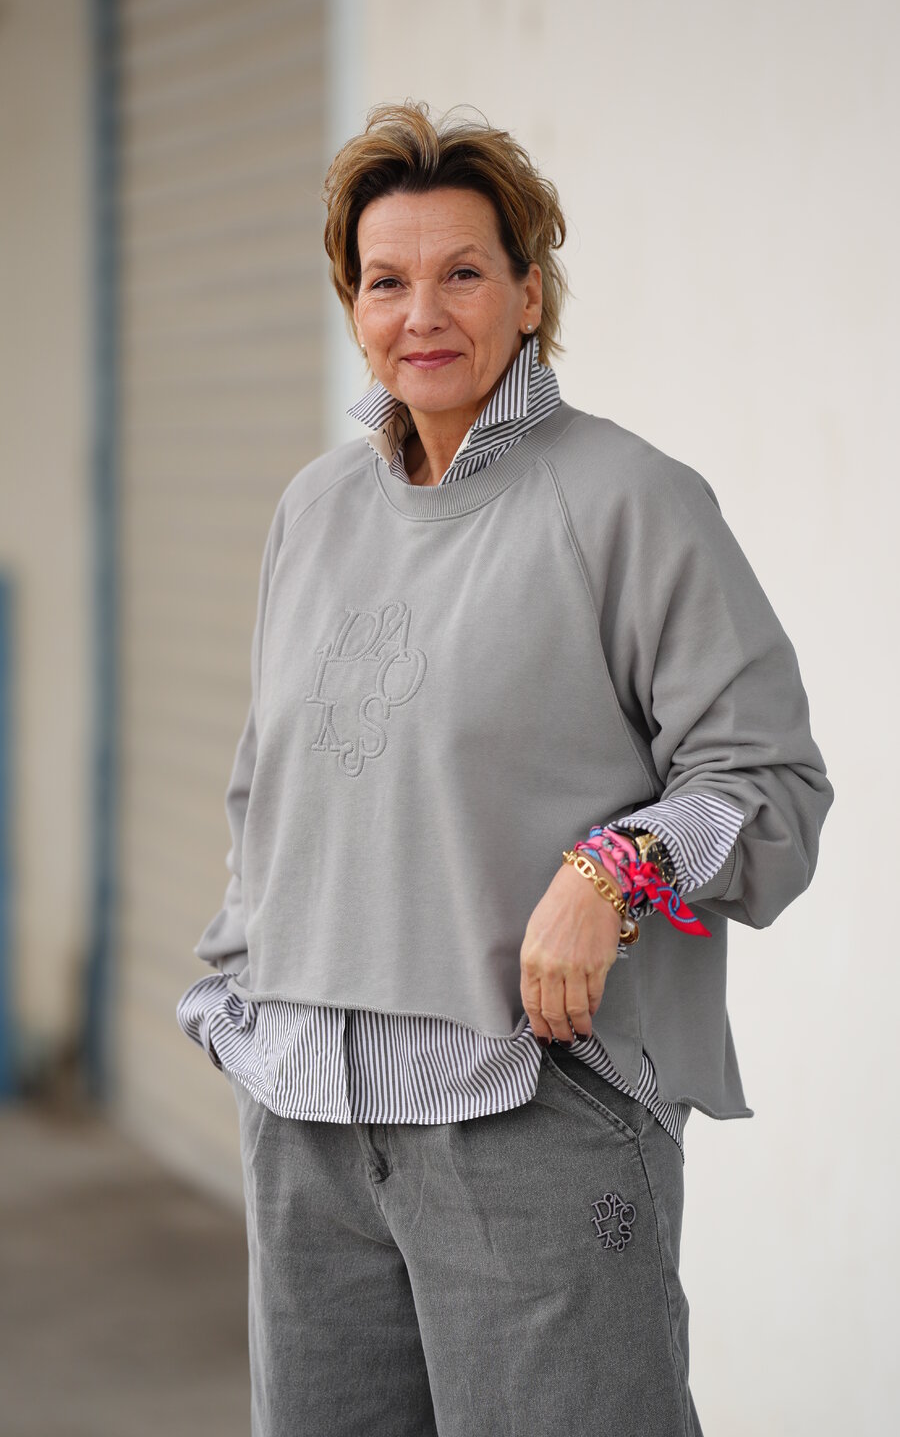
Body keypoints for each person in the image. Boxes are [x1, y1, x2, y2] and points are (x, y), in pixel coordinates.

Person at [177, 102, 833, 1437]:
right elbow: (271, 783)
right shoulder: (314, 509)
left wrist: (613, 870)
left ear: (530, 294)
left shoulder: (629, 501)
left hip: (531, 1115)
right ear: (352, 305)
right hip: (309, 1126)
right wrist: (245, 980)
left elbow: (768, 783)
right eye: (386, 281)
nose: (422, 314)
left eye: (463, 273)